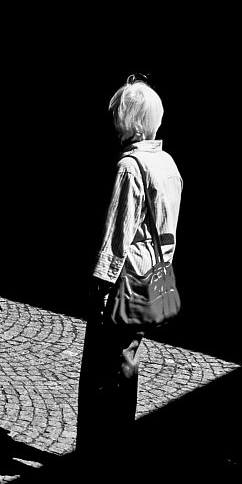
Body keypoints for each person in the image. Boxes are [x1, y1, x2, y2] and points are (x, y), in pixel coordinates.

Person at [79, 77, 182, 443]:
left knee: (100, 366)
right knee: (127, 359)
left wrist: (100, 283)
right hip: (153, 273)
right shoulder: (166, 163)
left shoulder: (130, 166)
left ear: (127, 120)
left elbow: (117, 232)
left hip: (125, 278)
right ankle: (120, 440)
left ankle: (95, 445)